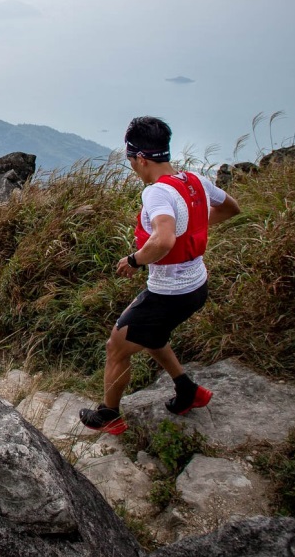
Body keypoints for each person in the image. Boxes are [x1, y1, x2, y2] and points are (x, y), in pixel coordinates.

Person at [79, 116, 240, 434]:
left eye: (129, 160)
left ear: (140, 158)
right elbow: (231, 207)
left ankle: (109, 415)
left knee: (116, 346)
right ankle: (188, 391)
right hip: (197, 286)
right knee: (151, 335)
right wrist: (192, 228)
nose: (131, 166)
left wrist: (134, 260)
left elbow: (163, 239)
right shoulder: (194, 181)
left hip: (169, 294)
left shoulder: (156, 193)